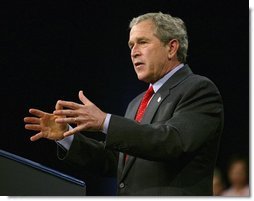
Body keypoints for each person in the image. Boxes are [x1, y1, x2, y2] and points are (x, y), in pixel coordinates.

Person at [24, 12, 224, 196]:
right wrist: (67, 136)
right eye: (131, 46)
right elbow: (118, 162)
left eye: (142, 42)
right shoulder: (136, 103)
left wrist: (105, 122)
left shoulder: (198, 89)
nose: (134, 52)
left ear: (171, 47)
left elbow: (171, 142)